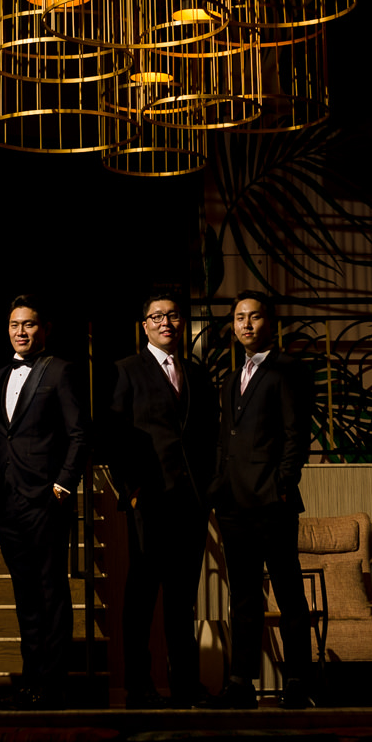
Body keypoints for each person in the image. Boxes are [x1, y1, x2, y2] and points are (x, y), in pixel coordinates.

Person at [104, 288, 218, 708]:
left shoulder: (197, 374)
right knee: (141, 597)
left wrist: (208, 490)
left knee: (181, 599)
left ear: (182, 323)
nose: (165, 323)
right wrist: (131, 491)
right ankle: (139, 686)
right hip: (148, 501)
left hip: (190, 503)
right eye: (157, 316)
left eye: (172, 315)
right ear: (144, 325)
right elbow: (115, 436)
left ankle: (185, 685)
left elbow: (208, 436)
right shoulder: (126, 370)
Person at [206, 290, 316, 709]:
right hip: (233, 503)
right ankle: (240, 683)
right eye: (239, 318)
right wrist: (218, 486)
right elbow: (225, 438)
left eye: (254, 317)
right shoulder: (231, 378)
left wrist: (283, 484)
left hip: (272, 500)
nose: (246, 324)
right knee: (244, 597)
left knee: (288, 594)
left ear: (270, 322)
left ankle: (298, 681)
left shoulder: (289, 369)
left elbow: (296, 434)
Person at [0, 294, 89, 709]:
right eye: (14, 325)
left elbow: (79, 433)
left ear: (44, 329)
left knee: (51, 592)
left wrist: (63, 485)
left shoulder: (60, 370)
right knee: (25, 595)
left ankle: (53, 682)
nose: (21, 332)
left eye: (28, 324)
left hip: (46, 500)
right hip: (8, 502)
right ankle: (30, 679)